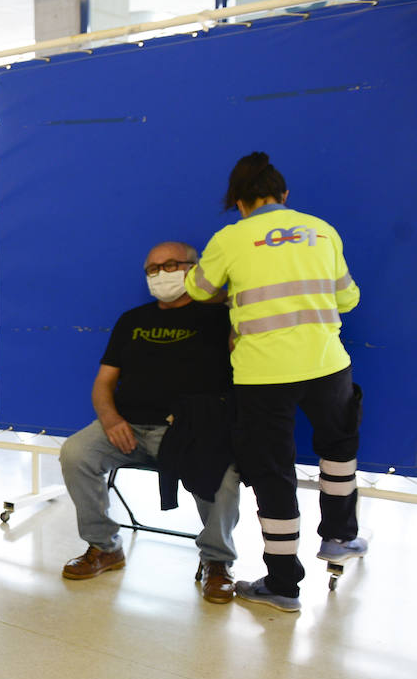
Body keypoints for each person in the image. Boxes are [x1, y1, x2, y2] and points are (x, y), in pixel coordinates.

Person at [187, 152, 364, 613]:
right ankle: (340, 538)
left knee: (273, 474)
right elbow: (348, 298)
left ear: (239, 203)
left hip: (263, 375)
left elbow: (199, 291)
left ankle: (284, 586)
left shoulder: (231, 237)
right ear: (284, 196)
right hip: (328, 365)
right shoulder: (322, 230)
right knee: (338, 452)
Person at [57, 241, 241, 601]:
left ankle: (216, 563)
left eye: (171, 264)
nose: (161, 274)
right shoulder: (132, 320)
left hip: (192, 432)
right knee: (75, 453)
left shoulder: (221, 319)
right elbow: (103, 383)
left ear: (194, 268)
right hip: (129, 429)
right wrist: (110, 421)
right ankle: (105, 546)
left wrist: (224, 300)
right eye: (153, 269)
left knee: (225, 477)